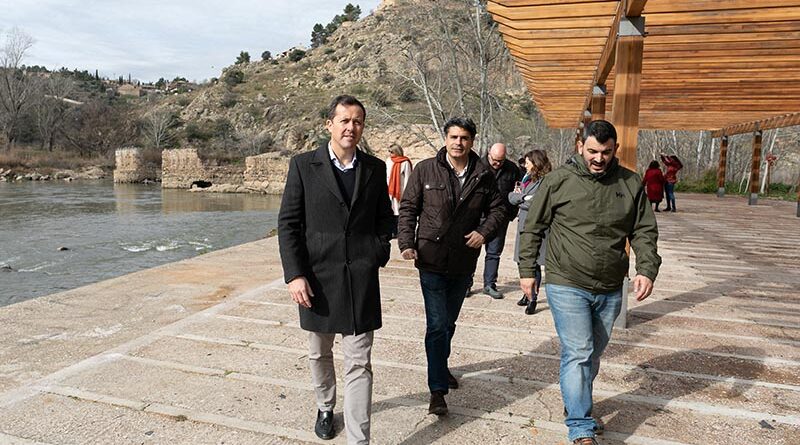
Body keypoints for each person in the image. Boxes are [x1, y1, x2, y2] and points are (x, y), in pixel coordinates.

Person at [518, 120, 661, 445]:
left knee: (592, 354)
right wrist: (527, 270)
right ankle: (581, 427)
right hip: (567, 281)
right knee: (579, 351)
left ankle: (575, 402)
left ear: (615, 150)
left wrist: (646, 268)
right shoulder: (558, 181)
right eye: (593, 151)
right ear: (580, 146)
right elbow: (533, 228)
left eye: (606, 152)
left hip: (611, 285)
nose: (599, 158)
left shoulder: (630, 182)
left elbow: (644, 230)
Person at [278, 95, 394, 444]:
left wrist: (377, 251)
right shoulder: (303, 166)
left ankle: (359, 440)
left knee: (359, 363)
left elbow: (384, 220)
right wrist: (295, 274)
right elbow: (289, 224)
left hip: (361, 279)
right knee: (319, 352)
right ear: (329, 124)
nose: (351, 127)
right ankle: (325, 406)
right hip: (317, 281)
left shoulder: (375, 169)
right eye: (344, 120)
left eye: (357, 121)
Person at [397, 117, 506, 416]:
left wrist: (484, 232)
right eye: (454, 137)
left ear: (473, 141)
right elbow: (408, 208)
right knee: (436, 324)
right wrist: (406, 242)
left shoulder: (484, 174)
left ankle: (440, 367)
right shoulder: (425, 169)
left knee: (448, 322)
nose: (459, 143)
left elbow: (499, 209)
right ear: (445, 138)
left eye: (465, 138)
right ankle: (437, 392)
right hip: (430, 258)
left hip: (462, 262)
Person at [508, 149, 551, 314]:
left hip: (536, 226)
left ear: (536, 162)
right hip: (522, 225)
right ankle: (526, 293)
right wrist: (523, 199)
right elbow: (512, 196)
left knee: (534, 264)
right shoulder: (525, 178)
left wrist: (520, 199)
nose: (524, 165)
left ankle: (533, 297)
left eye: (527, 162)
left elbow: (537, 203)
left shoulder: (545, 181)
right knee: (522, 261)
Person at [478, 142, 521, 299]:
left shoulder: (512, 169)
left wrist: (511, 214)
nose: (497, 164)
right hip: (477, 216)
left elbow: (517, 192)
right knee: (470, 251)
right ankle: (466, 284)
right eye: (494, 160)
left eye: (500, 161)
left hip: (500, 217)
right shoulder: (477, 165)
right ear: (489, 153)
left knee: (494, 253)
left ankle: (489, 284)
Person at [386, 143, 412, 238]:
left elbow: (408, 178)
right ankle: (391, 231)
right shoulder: (389, 161)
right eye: (389, 151)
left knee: (399, 212)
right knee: (390, 211)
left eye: (391, 152)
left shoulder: (405, 162)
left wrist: (406, 193)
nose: (390, 154)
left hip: (400, 191)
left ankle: (399, 232)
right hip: (389, 190)